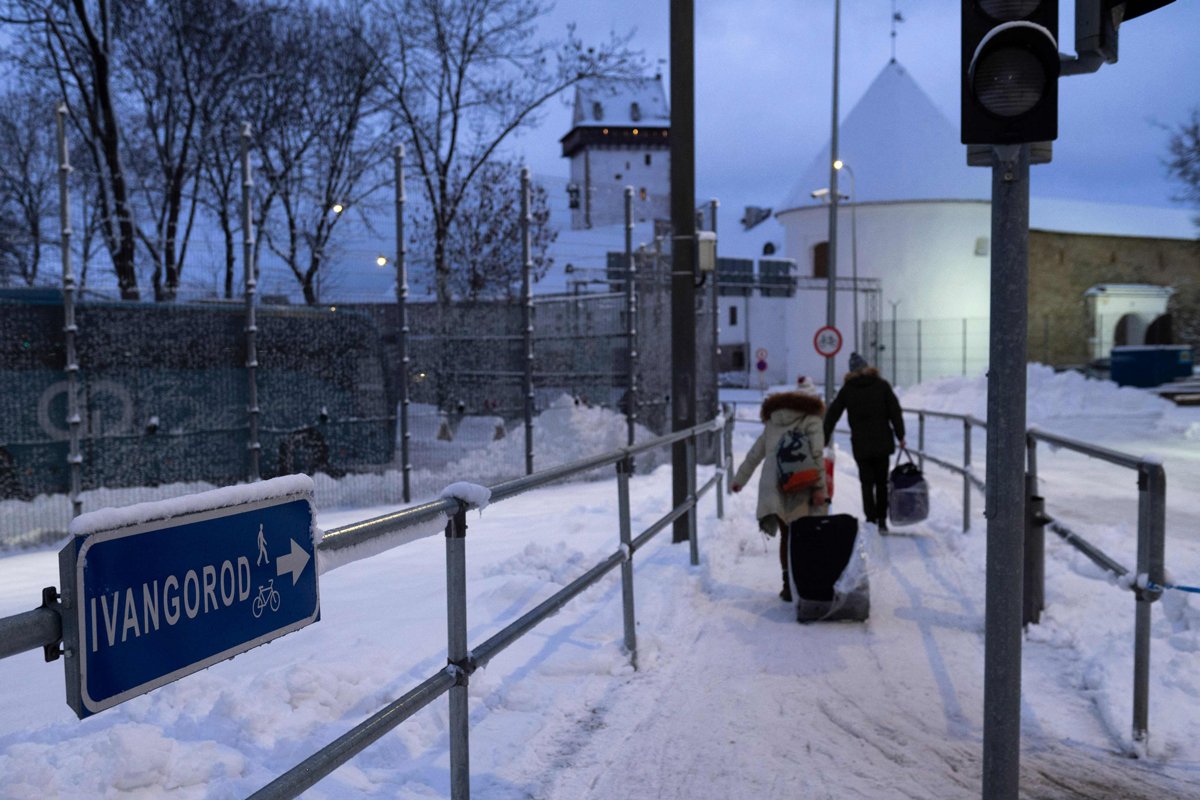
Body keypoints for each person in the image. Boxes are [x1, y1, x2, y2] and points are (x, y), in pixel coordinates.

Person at [731, 381, 827, 601]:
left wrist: (740, 479)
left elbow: (756, 453)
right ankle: (803, 582)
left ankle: (788, 586)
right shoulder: (812, 419)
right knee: (804, 535)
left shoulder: (773, 420)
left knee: (787, 535)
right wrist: (820, 488)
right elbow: (816, 454)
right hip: (801, 484)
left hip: (774, 483)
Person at [823, 352, 906, 532]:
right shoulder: (882, 385)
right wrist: (901, 435)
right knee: (882, 482)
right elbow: (895, 411)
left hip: (861, 444)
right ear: (867, 367)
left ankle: (871, 519)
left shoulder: (848, 389)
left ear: (851, 370)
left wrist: (824, 437)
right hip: (883, 442)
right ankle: (882, 520)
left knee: (866, 482)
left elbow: (832, 414)